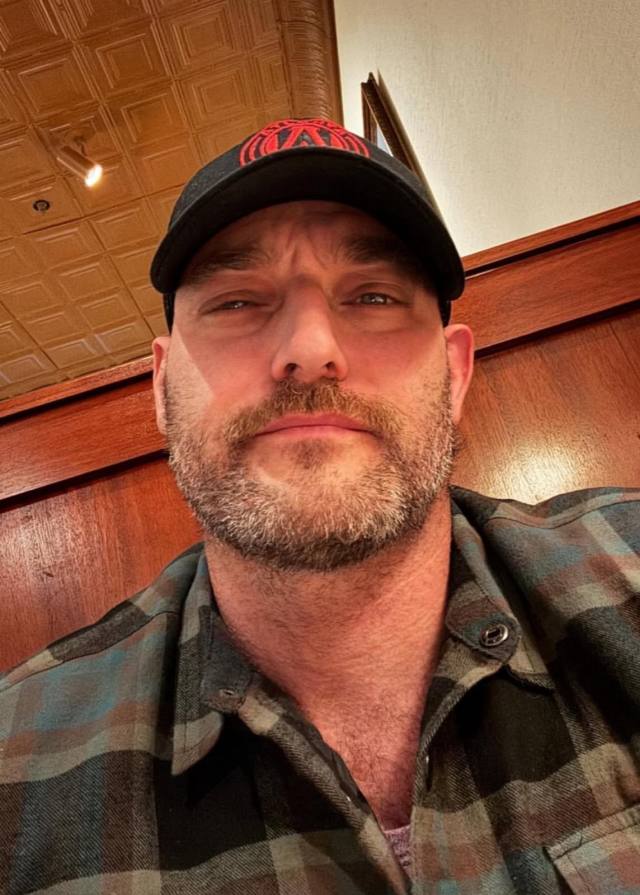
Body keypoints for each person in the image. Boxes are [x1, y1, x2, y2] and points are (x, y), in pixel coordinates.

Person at [0, 117, 638, 895]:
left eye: (372, 295)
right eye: (237, 301)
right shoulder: (15, 766)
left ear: (454, 373)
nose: (309, 348)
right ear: (162, 388)